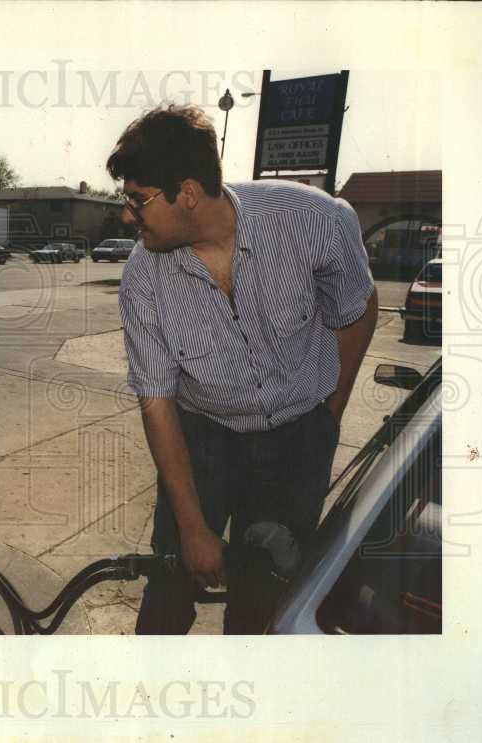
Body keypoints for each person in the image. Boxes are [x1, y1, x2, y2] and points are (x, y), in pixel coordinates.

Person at [106, 105, 378, 634]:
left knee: (265, 599)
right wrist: (191, 526)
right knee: (170, 583)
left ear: (186, 193)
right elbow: (157, 404)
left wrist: (329, 414)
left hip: (297, 441)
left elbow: (357, 308)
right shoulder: (142, 280)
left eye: (137, 200)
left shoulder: (313, 222)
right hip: (203, 438)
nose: (126, 215)